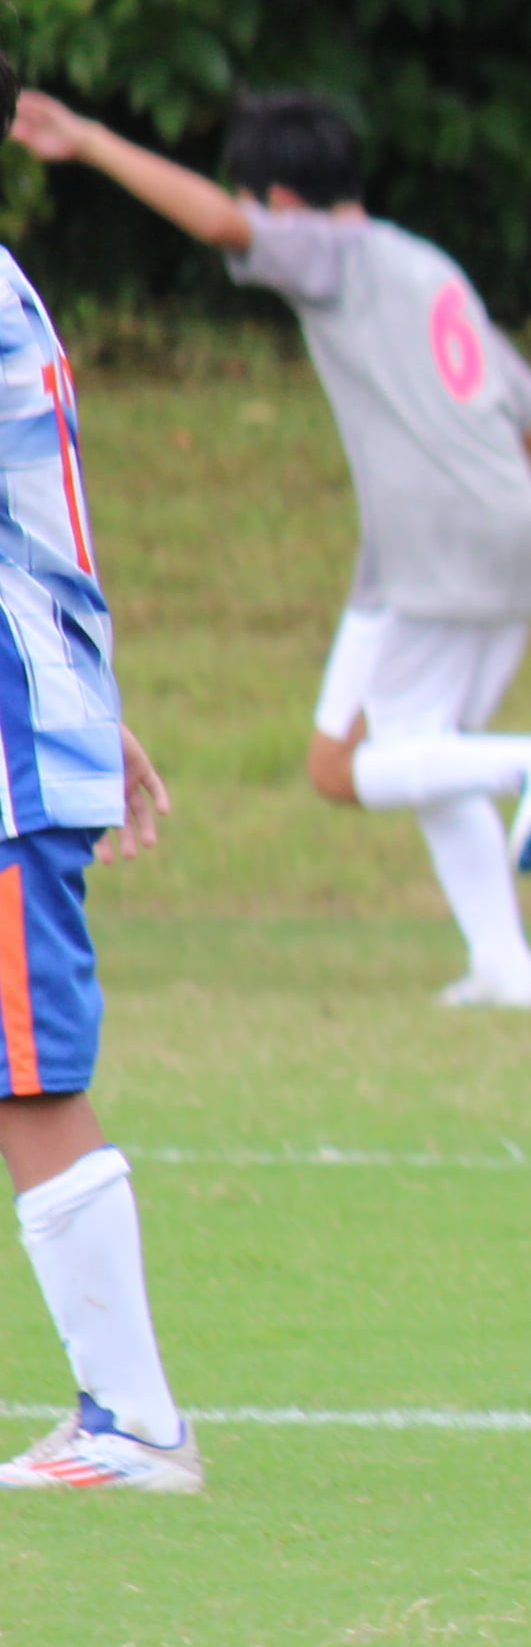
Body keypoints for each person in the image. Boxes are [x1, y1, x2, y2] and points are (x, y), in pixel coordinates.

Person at [7, 86, 531, 1009]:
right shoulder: (426, 263)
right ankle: (505, 964)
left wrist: (88, 141)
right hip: (510, 522)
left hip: (428, 539)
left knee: (340, 765)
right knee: (423, 750)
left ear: (281, 201)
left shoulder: (333, 251)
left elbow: (219, 223)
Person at [0, 170, 204, 1492]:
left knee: (27, 1079)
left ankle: (135, 1424)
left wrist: (74, 713)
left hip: (6, 747)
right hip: (36, 708)